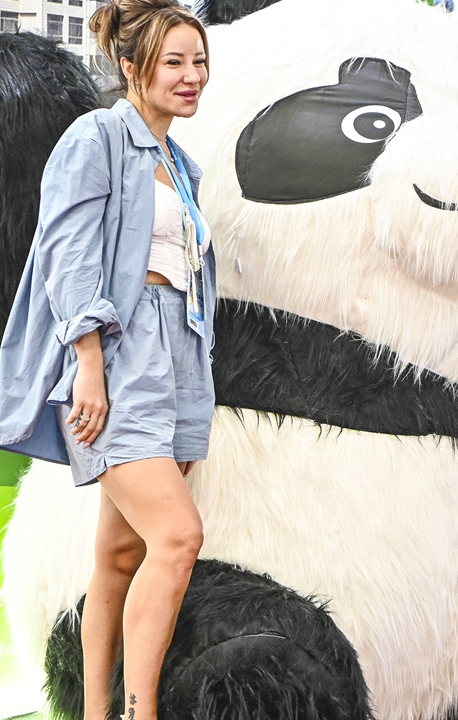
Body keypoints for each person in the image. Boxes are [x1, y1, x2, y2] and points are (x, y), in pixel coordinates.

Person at [0, 2, 216, 719]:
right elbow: (66, 253)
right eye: (175, 62)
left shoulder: (181, 165)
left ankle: (97, 713)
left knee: (121, 558)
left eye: (199, 61)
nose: (192, 77)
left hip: (178, 363)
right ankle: (138, 710)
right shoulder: (96, 136)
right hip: (119, 360)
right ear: (131, 67)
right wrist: (87, 363)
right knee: (179, 536)